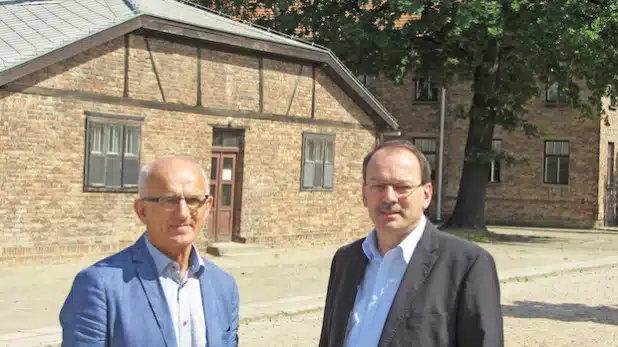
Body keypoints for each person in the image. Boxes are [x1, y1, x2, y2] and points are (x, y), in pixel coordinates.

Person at [318, 140, 503, 347]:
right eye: (378, 186)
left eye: (402, 187)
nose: (389, 197)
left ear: (426, 194)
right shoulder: (346, 260)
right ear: (364, 194)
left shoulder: (467, 265)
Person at [60, 156, 239, 347]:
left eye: (193, 200)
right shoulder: (100, 287)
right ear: (142, 211)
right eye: (169, 201)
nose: (183, 213)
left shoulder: (224, 287)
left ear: (207, 207)